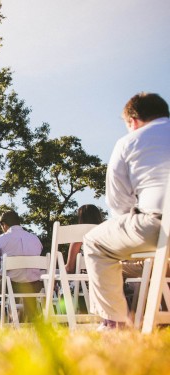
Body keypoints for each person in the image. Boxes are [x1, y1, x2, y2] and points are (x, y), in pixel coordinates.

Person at [83, 93, 170, 330]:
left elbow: (118, 204)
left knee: (94, 242)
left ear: (132, 121)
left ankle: (114, 321)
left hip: (159, 224)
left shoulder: (128, 142)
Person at [0, 210, 43, 322]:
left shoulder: (1, 239)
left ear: (4, 224)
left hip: (11, 285)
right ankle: (32, 323)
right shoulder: (35, 239)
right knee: (27, 289)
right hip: (35, 285)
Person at [65, 204, 103, 274]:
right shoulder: (107, 235)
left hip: (83, 282)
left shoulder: (78, 239)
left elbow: (70, 269)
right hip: (109, 279)